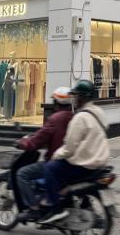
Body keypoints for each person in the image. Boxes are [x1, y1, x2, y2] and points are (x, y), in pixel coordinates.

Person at [39, 79, 110, 225]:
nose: (75, 99)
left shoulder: (80, 117)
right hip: (100, 162)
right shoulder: (99, 113)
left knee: (50, 169)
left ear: (82, 97)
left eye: (76, 96)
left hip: (84, 165)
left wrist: (56, 155)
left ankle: (56, 209)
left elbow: (69, 147)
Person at [14, 87, 73, 222]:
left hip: (54, 161)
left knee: (22, 174)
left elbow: (39, 138)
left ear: (56, 102)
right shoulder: (73, 116)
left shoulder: (55, 118)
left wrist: (23, 143)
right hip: (71, 161)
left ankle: (34, 209)